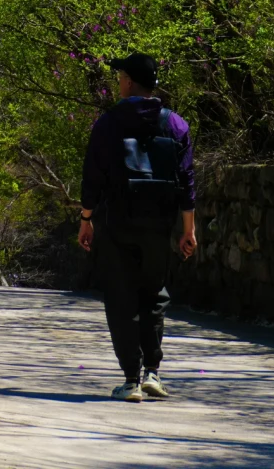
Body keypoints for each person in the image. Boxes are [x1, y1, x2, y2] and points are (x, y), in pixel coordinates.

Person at [77, 51, 196, 402]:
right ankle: (153, 374)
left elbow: (93, 177)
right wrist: (188, 229)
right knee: (154, 294)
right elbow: (187, 181)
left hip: (119, 222)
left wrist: (86, 220)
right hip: (159, 224)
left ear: (129, 81)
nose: (118, 82)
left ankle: (131, 379)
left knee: (120, 295)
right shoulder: (176, 125)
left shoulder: (109, 123)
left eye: (120, 77)